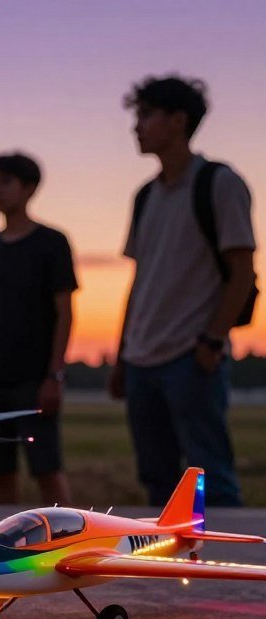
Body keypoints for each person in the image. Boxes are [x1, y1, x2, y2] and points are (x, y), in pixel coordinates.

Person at [108, 75, 256, 507]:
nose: (136, 126)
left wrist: (211, 341)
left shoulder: (220, 183)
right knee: (158, 484)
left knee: (213, 481)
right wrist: (122, 355)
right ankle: (168, 575)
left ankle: (225, 574)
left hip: (190, 357)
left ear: (178, 120)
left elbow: (242, 271)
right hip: (141, 360)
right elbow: (140, 282)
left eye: (146, 115)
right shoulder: (145, 196)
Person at [0, 152, 78, 505]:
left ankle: (72, 547)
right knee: (0, 473)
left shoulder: (52, 242)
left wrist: (54, 376)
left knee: (47, 469)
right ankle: (7, 549)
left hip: (34, 379)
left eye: (5, 183)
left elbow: (65, 312)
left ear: (29, 188)